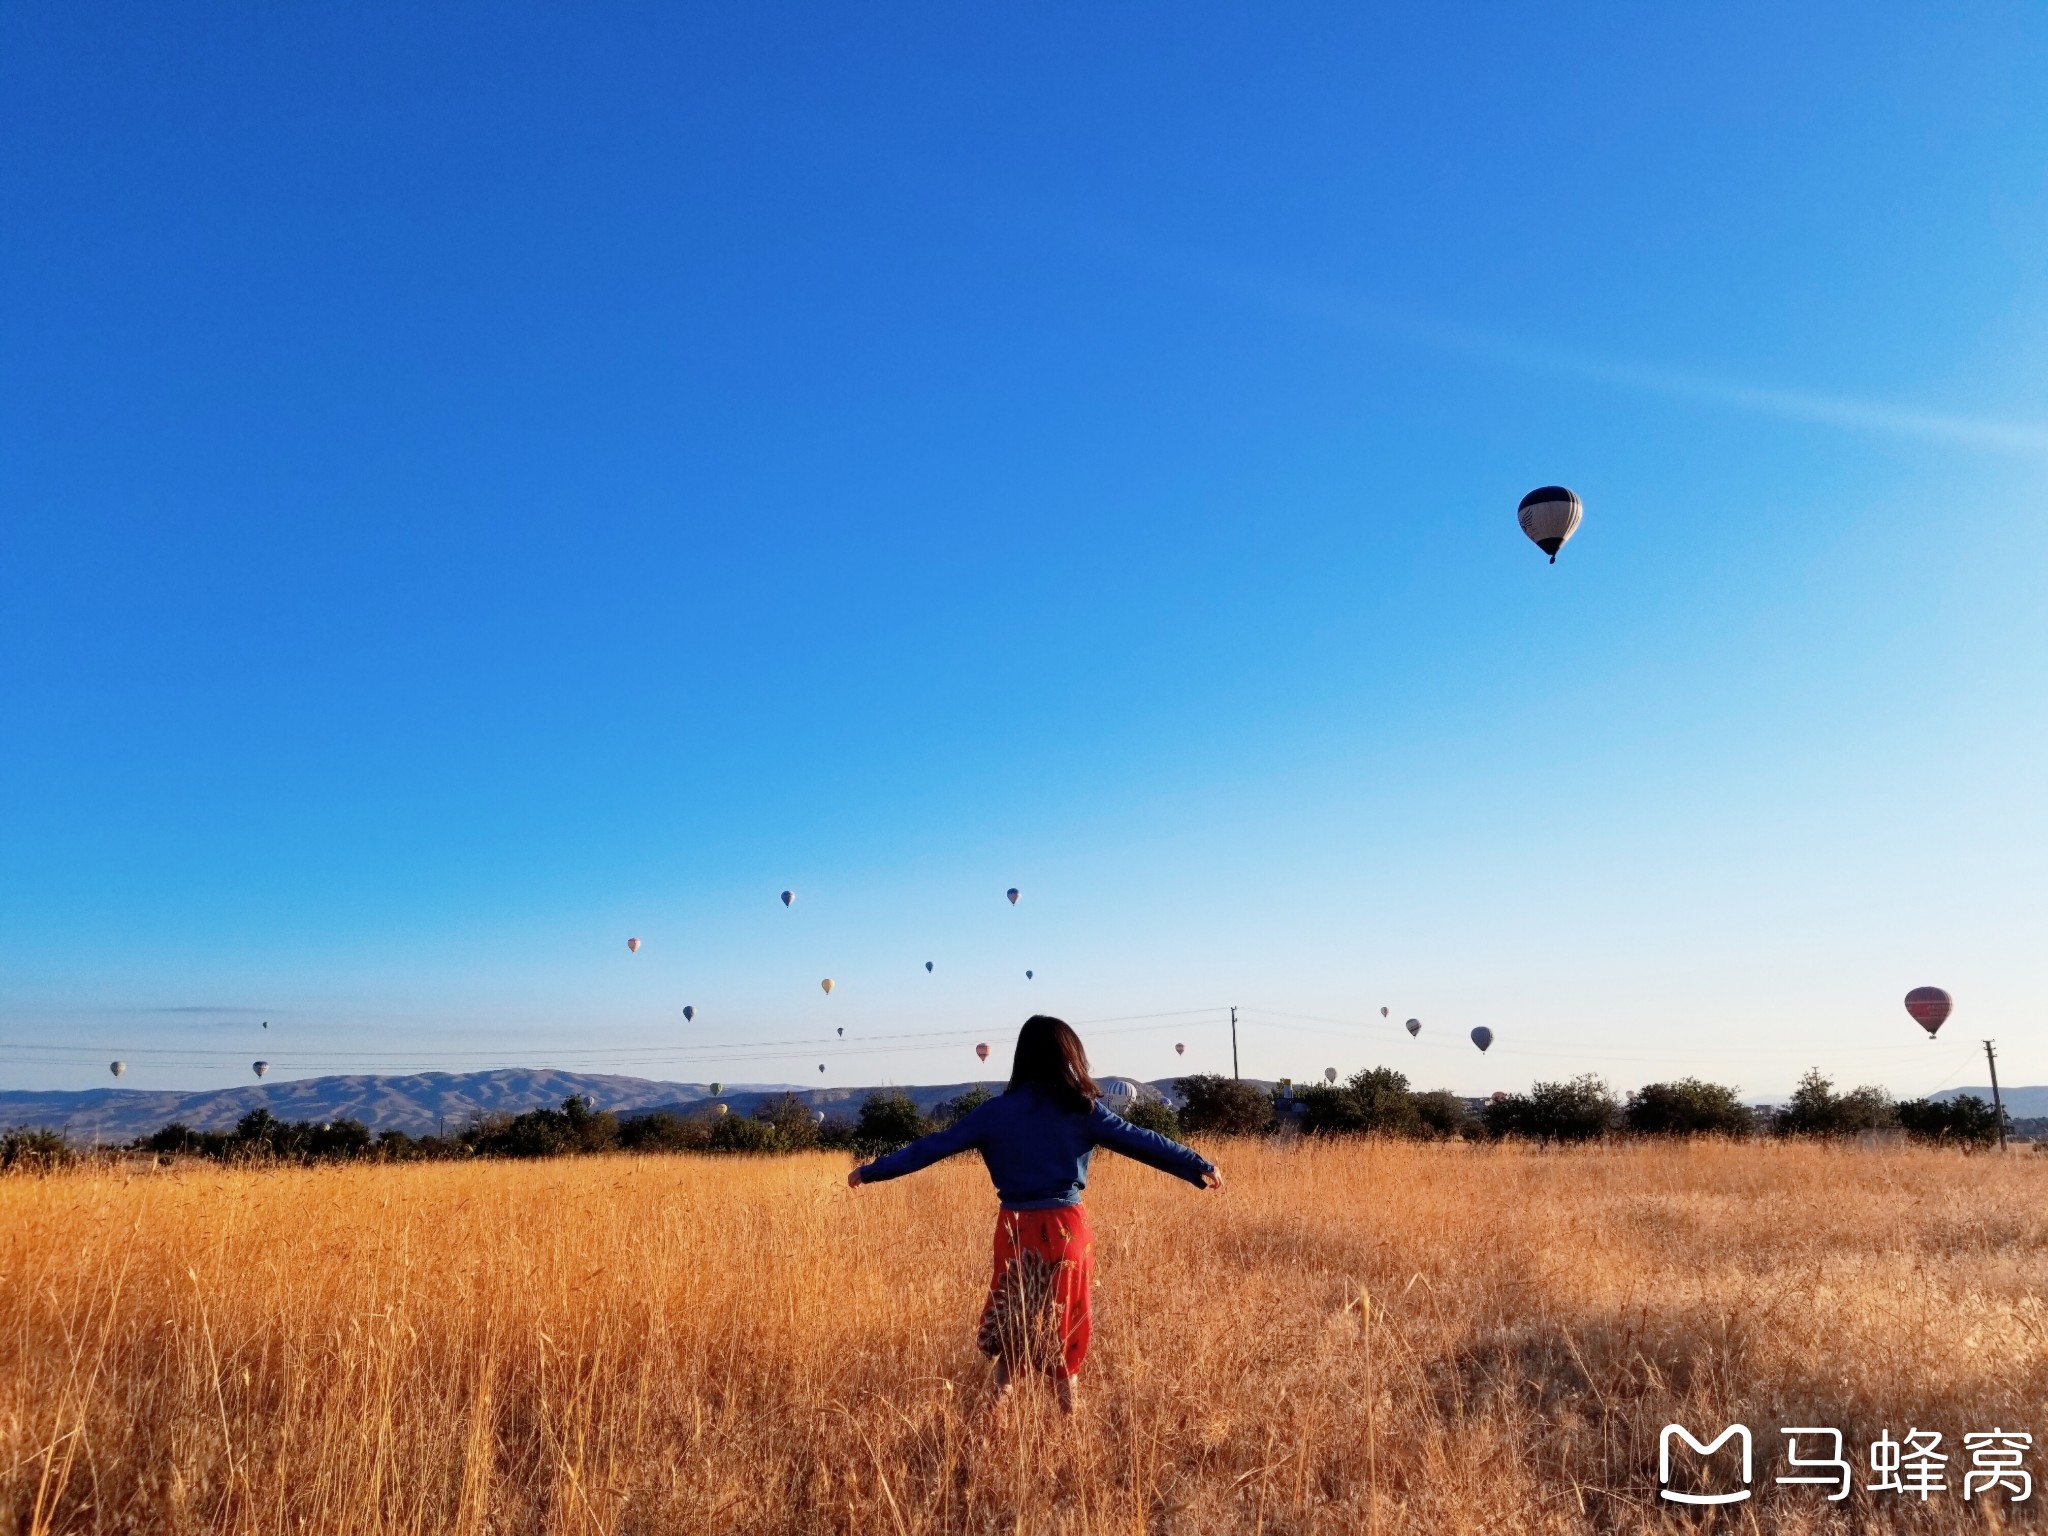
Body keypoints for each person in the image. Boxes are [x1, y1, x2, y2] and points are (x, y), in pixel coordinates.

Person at [847, 1014, 1222, 1414]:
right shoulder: (1082, 1110)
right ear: (1069, 1056)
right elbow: (1142, 1141)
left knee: (1014, 1326)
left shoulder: (995, 1112)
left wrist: (871, 1171)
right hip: (1066, 1228)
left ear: (1022, 1057)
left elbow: (932, 1146)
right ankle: (1069, 1423)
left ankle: (992, 1420)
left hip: (1016, 1230)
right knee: (1065, 1323)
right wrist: (1196, 1164)